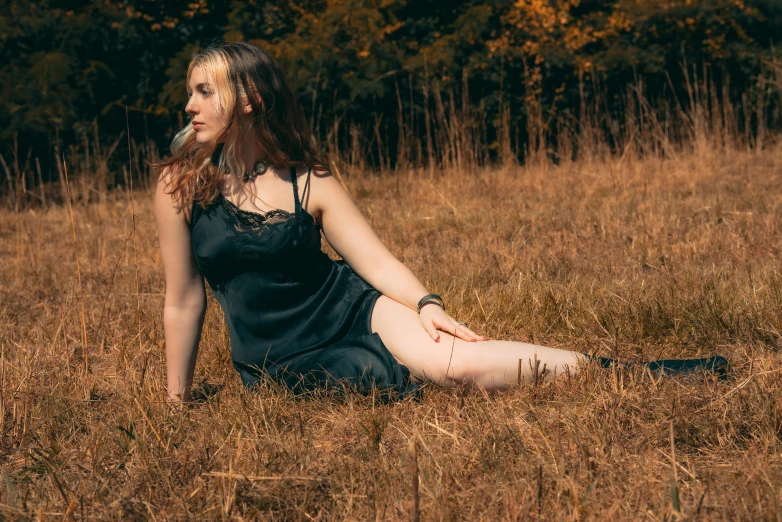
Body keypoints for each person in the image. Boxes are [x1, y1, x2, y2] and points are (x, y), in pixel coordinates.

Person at [154, 42, 728, 402]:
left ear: (249, 97)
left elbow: (374, 261)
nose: (190, 107)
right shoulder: (180, 185)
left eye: (205, 92)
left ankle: (639, 372)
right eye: (190, 93)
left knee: (461, 367)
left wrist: (428, 305)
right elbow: (183, 300)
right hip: (275, 356)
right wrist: (177, 402)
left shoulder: (312, 181)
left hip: (350, 308)